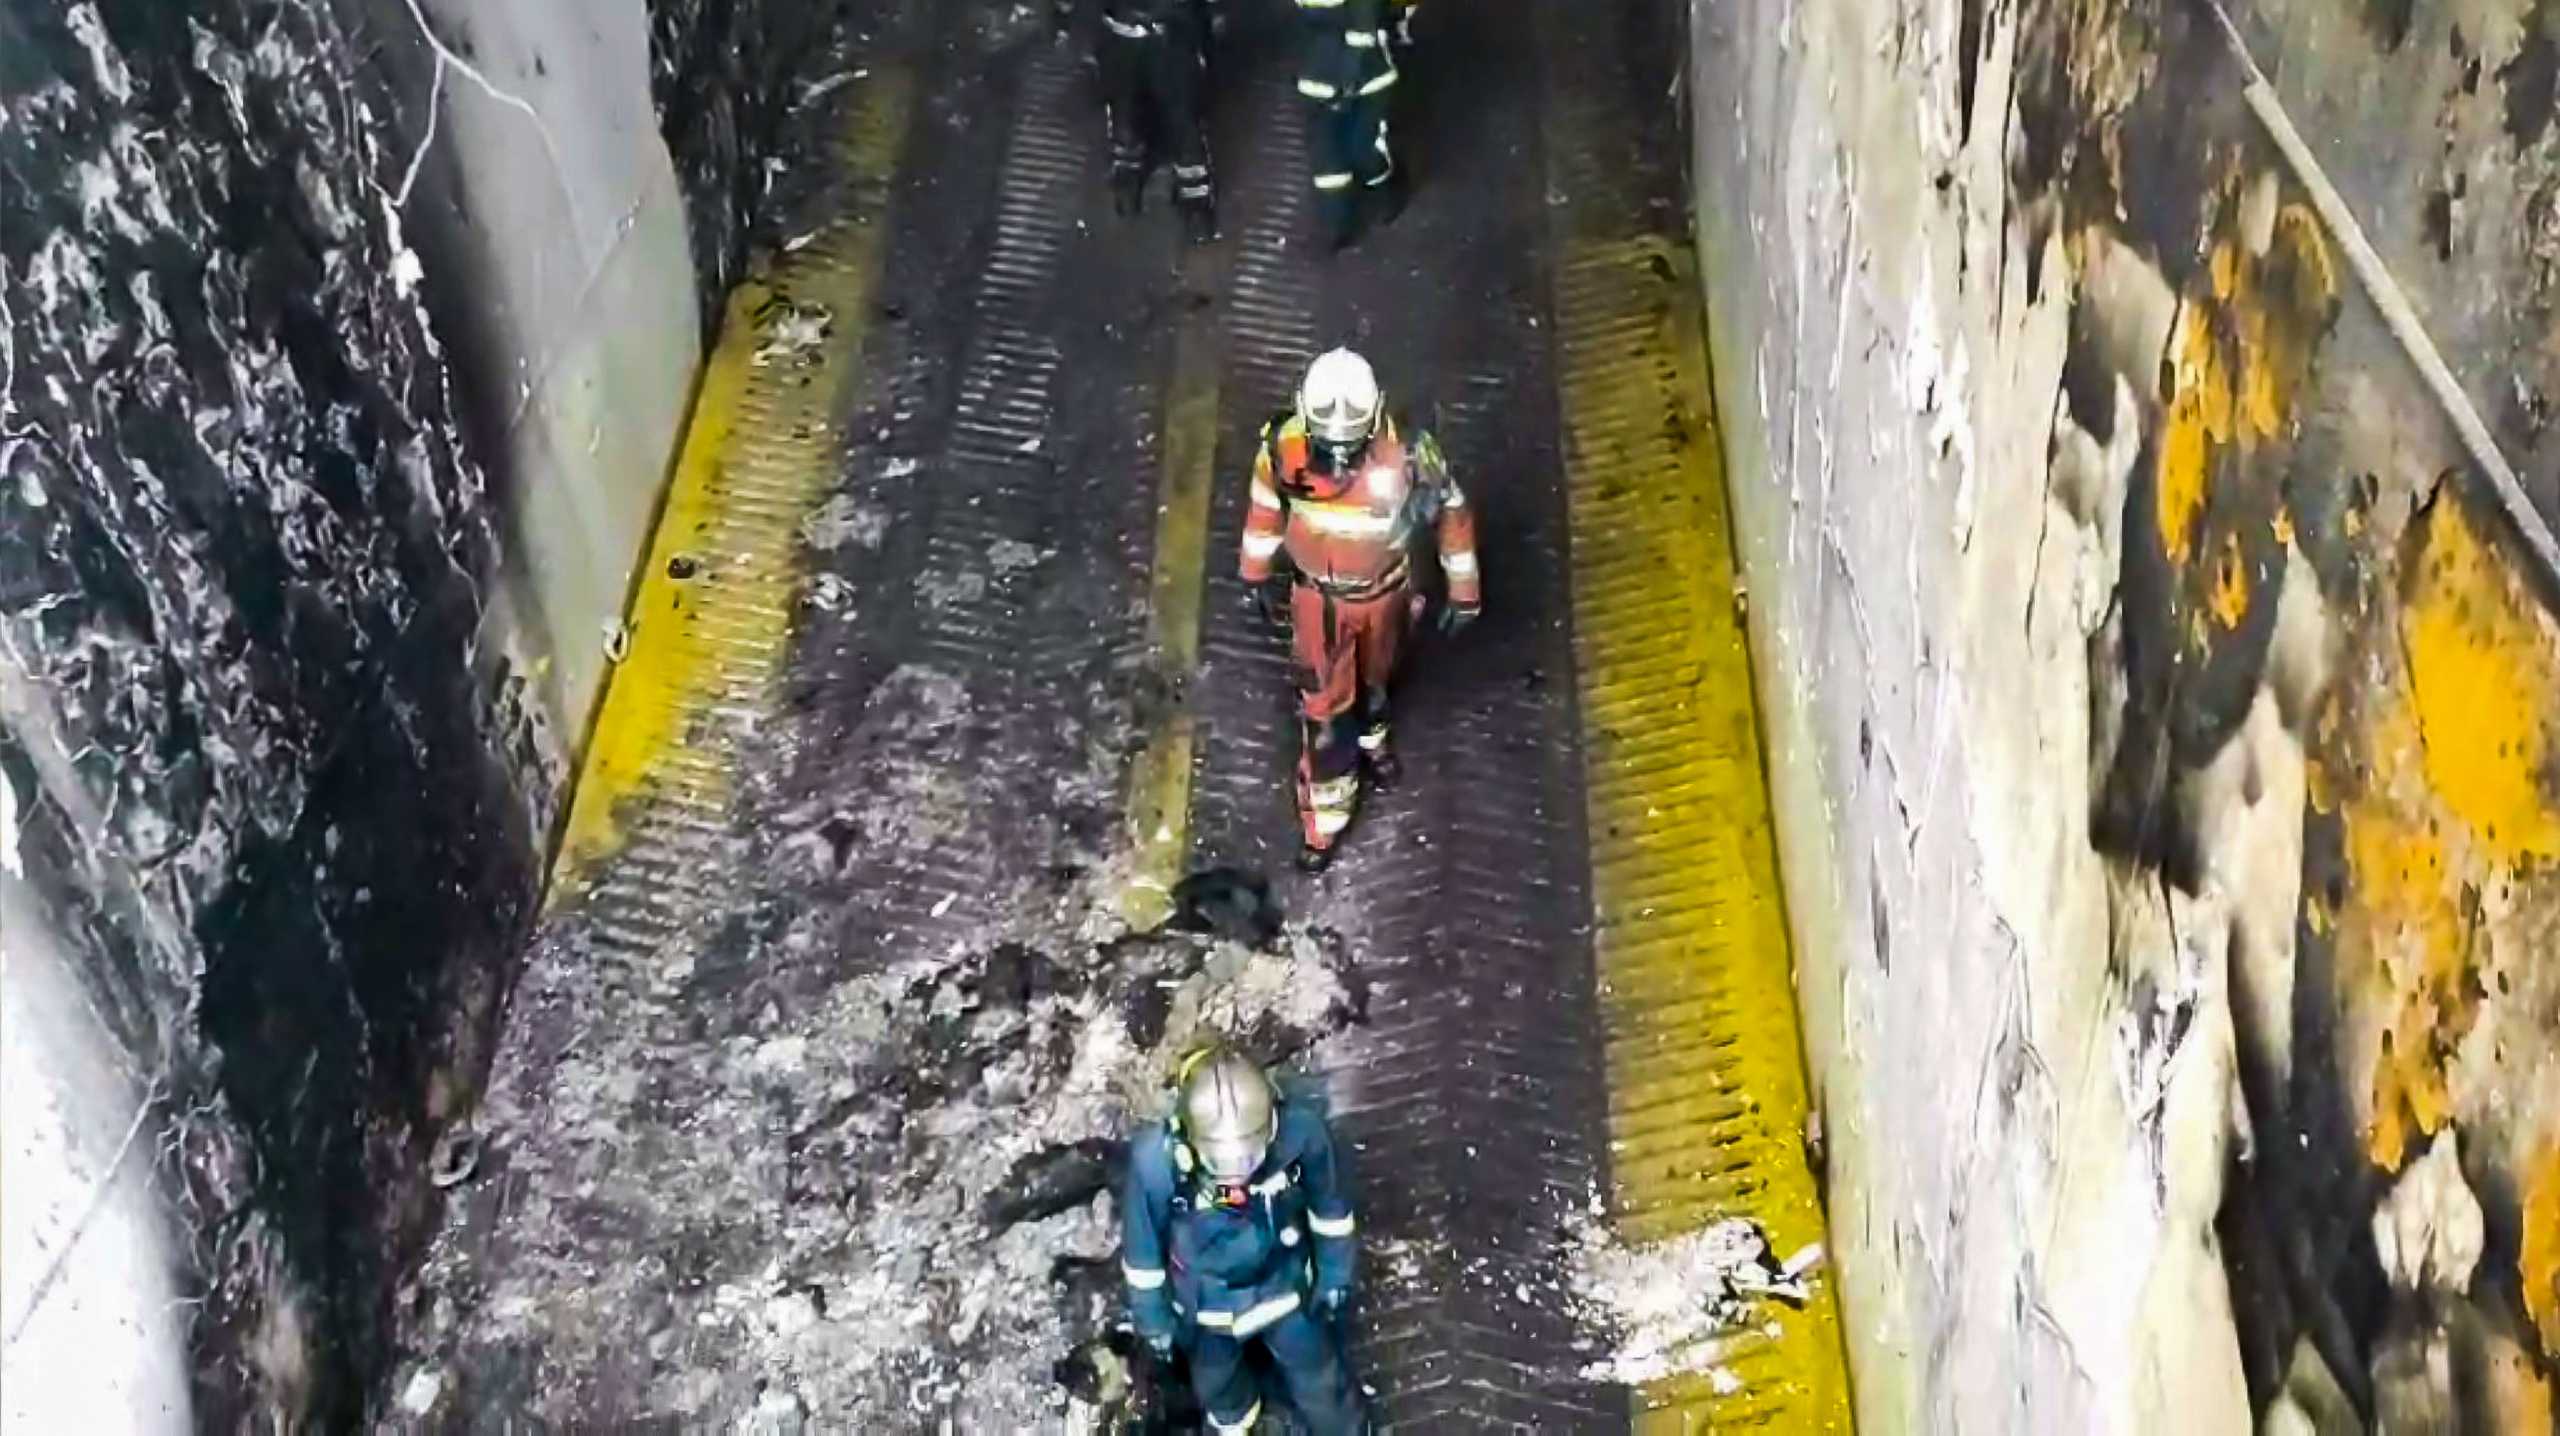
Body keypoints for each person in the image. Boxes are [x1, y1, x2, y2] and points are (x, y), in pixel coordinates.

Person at [1238, 348, 1479, 872]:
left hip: (1386, 596)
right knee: (1327, 714)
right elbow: (1264, 507)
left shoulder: (1412, 456)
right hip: (1319, 605)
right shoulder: (1284, 449)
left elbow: (1452, 513)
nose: (1338, 458)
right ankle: (1323, 824)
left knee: (1377, 681)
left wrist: (1465, 591)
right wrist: (1254, 572)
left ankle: (1374, 741)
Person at [1120, 1049, 1367, 1434]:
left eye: (1250, 1157)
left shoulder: (1301, 1134)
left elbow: (1330, 1209)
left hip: (1282, 1287)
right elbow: (1143, 1254)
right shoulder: (1156, 1165)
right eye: (1221, 1164)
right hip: (1206, 1309)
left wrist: (1335, 1274)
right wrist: (1154, 1321)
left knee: (1319, 1377)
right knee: (1220, 1392)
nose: (1237, 1175)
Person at [1058, 0, 1221, 243]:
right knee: (1125, 112)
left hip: (1171, 34)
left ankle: (1195, 200)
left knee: (1182, 119)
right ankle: (1127, 178)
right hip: (1119, 32)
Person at [1290, 0, 1401, 248]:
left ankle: (1384, 188)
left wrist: (1346, 85)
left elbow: (1363, 31)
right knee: (1327, 159)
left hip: (1366, 81)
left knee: (1362, 149)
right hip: (1319, 82)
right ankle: (1335, 225)